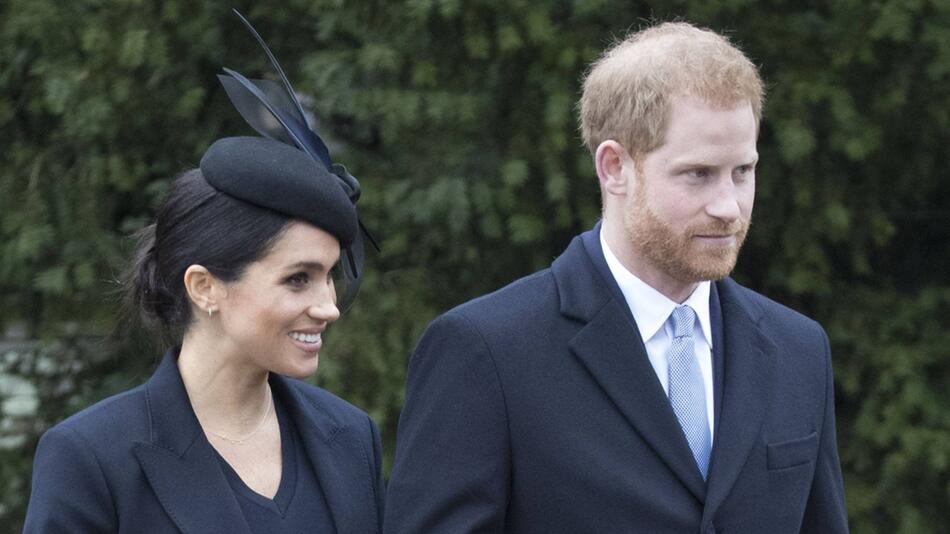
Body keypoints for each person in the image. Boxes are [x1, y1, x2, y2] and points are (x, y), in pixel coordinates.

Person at [385, 21, 849, 533]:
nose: (729, 207)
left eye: (743, 171)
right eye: (698, 174)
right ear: (614, 167)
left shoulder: (799, 350)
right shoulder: (485, 351)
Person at [24, 14, 383, 534]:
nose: (328, 306)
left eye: (329, 276)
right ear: (204, 286)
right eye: (298, 278)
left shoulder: (351, 437)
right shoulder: (92, 458)